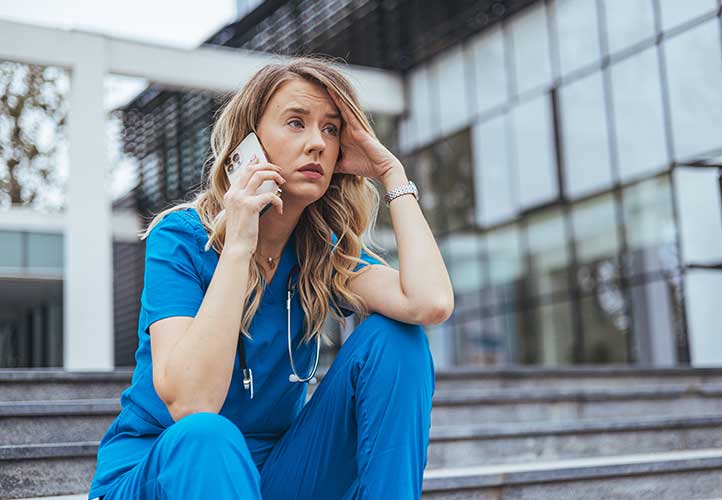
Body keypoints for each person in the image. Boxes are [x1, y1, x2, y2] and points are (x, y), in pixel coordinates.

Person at [87, 55, 454, 500]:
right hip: (169, 470)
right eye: (296, 122)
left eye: (331, 128)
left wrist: (392, 174)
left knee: (398, 339)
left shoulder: (321, 250)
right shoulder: (180, 236)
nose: (318, 142)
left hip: (275, 473)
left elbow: (430, 303)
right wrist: (240, 242)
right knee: (208, 435)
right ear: (250, 141)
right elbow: (191, 403)